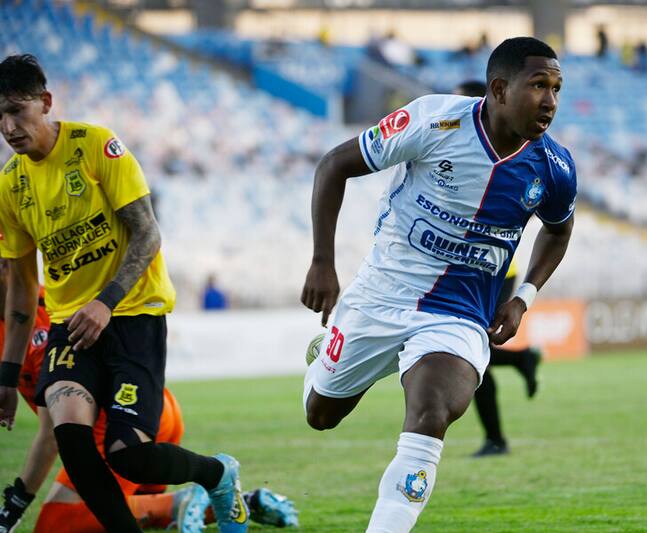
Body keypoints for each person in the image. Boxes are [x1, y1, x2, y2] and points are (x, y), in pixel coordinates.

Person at [301, 37, 576, 532]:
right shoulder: (434, 120)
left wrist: (523, 298)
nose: (550, 101)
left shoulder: (554, 168)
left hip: (459, 312)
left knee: (433, 412)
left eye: (556, 88)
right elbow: (335, 165)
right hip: (381, 295)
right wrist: (323, 261)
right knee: (321, 414)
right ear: (499, 89)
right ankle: (329, 353)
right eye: (539, 86)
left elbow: (558, 230)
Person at [0, 54, 247, 532]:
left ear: (46, 102)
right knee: (71, 440)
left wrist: (105, 301)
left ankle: (217, 473)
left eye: (17, 110)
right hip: (72, 327)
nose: (9, 127)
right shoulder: (10, 186)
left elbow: (148, 233)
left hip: (132, 314)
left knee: (129, 457)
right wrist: (7, 379)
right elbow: (22, 290)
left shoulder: (95, 146)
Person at [0, 262, 298, 532]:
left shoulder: (45, 311)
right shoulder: (29, 312)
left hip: (120, 423)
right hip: (144, 412)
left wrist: (16, 503)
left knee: (58, 525)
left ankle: (192, 496)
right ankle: (239, 501)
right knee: (120, 506)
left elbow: (54, 431)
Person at [453, 80, 542, 457]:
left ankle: (496, 439)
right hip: (479, 272)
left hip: (493, 273)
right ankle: (522, 359)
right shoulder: (460, 146)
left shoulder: (489, 153)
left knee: (473, 353)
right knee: (474, 350)